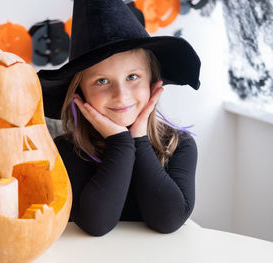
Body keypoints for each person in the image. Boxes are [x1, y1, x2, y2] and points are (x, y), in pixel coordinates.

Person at [38, 0, 201, 236]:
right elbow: (96, 224)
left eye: (133, 76)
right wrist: (121, 143)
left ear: (152, 82)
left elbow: (169, 219)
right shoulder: (65, 150)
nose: (121, 96)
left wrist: (139, 140)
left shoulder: (179, 145)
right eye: (102, 81)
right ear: (80, 92)